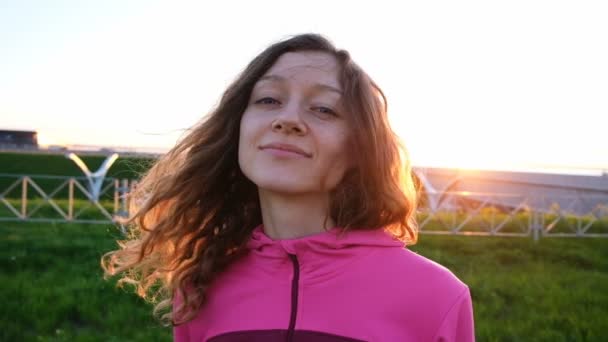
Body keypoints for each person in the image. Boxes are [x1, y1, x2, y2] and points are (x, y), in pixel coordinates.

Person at [102, 33, 475, 341]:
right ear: (238, 129)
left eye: (324, 109)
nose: (288, 119)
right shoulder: (200, 289)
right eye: (268, 99)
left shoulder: (435, 296)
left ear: (360, 149)